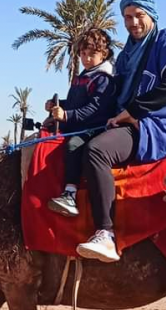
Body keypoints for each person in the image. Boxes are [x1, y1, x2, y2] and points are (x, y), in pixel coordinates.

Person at [75, 0, 166, 263]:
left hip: (157, 123)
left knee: (97, 151)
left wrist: (134, 111)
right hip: (127, 118)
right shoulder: (128, 52)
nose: (133, 23)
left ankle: (105, 233)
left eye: (138, 15)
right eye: (127, 17)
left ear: (151, 16)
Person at [45, 28, 116, 217]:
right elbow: (76, 103)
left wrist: (66, 115)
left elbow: (94, 108)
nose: (86, 58)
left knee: (73, 145)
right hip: (78, 123)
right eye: (83, 54)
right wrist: (56, 106)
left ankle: (70, 193)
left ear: (104, 54)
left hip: (94, 127)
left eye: (92, 54)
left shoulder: (103, 79)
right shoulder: (82, 77)